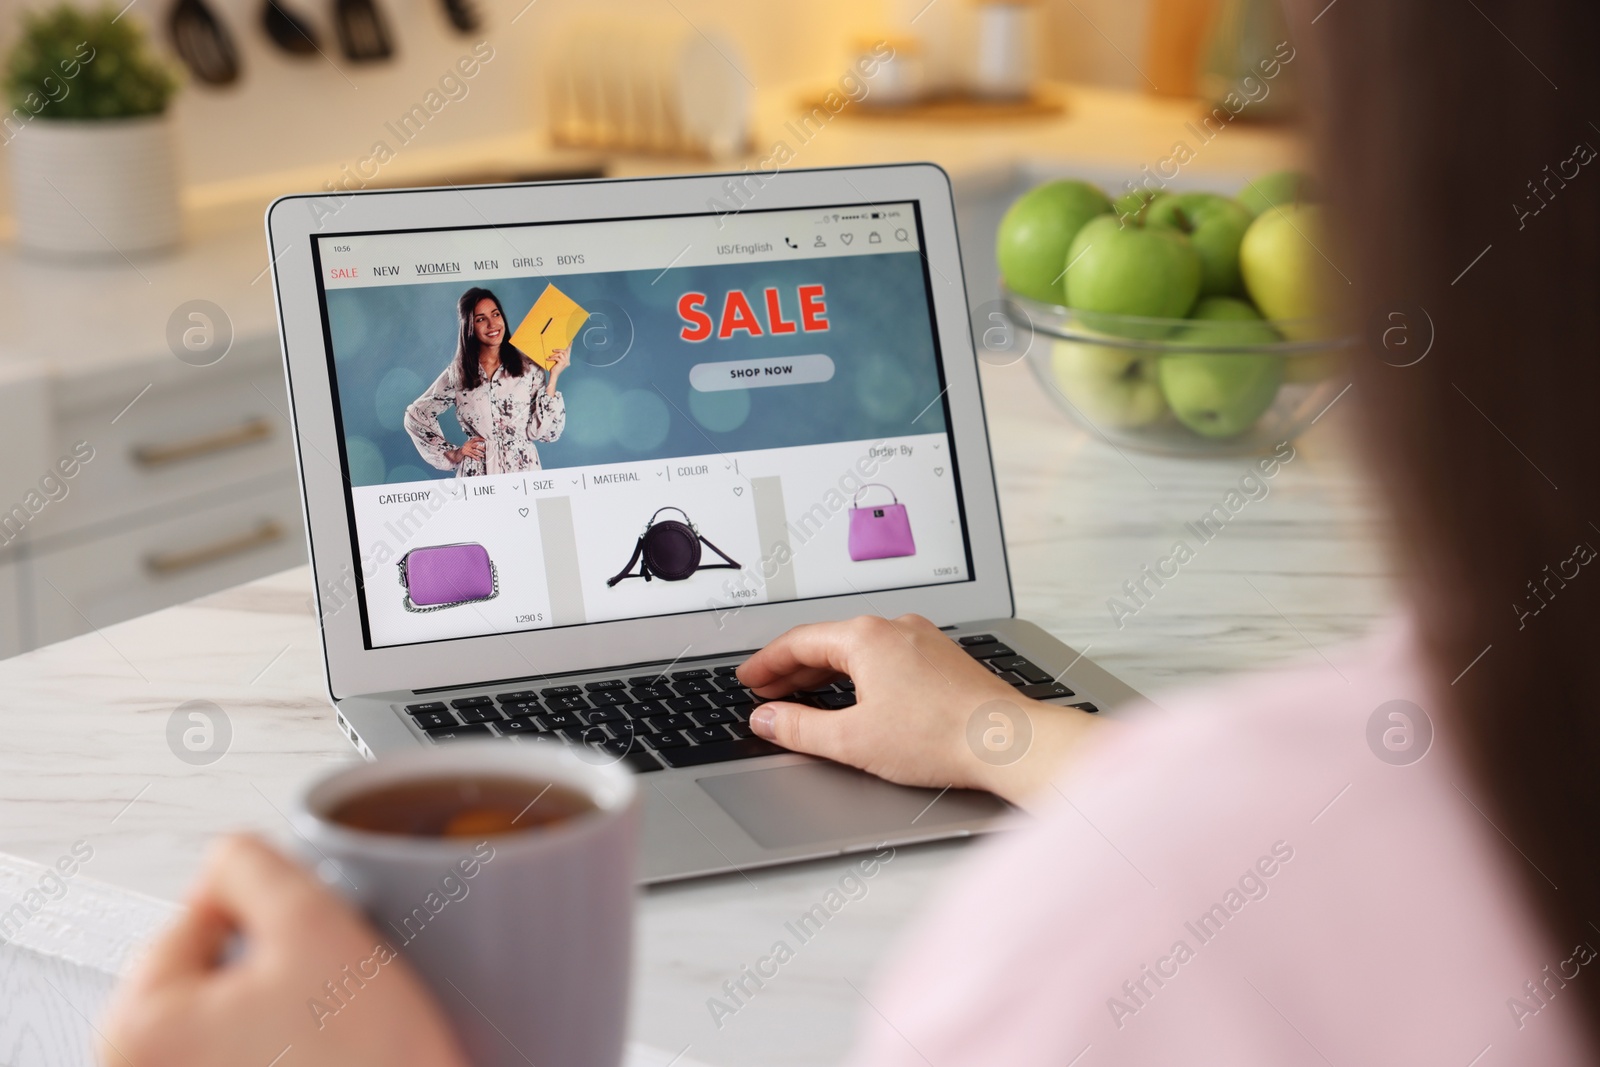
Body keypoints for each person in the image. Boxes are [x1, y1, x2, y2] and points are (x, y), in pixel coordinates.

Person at [99, 1, 1600, 1063]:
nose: (494, 324)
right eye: (488, 313)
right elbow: (447, 444)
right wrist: (1006, 734)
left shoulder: (1126, 936)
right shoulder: (1429, 781)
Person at [404, 287, 569, 477]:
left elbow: (547, 433)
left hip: (523, 471)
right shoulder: (458, 373)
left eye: (496, 314)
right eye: (481, 319)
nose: (492, 324)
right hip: (478, 474)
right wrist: (454, 453)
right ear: (469, 326)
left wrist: (554, 377)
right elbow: (417, 415)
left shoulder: (528, 366)